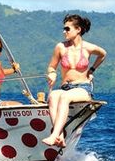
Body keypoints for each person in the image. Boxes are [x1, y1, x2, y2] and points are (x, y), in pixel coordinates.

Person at [42, 14, 106, 147]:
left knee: (64, 97)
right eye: (64, 29)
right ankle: (60, 136)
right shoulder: (60, 47)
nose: (64, 31)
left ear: (78, 29)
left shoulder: (88, 47)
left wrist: (92, 70)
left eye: (67, 29)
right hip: (66, 87)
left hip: (83, 87)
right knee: (53, 96)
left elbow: (103, 54)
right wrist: (52, 74)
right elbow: (51, 67)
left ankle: (55, 134)